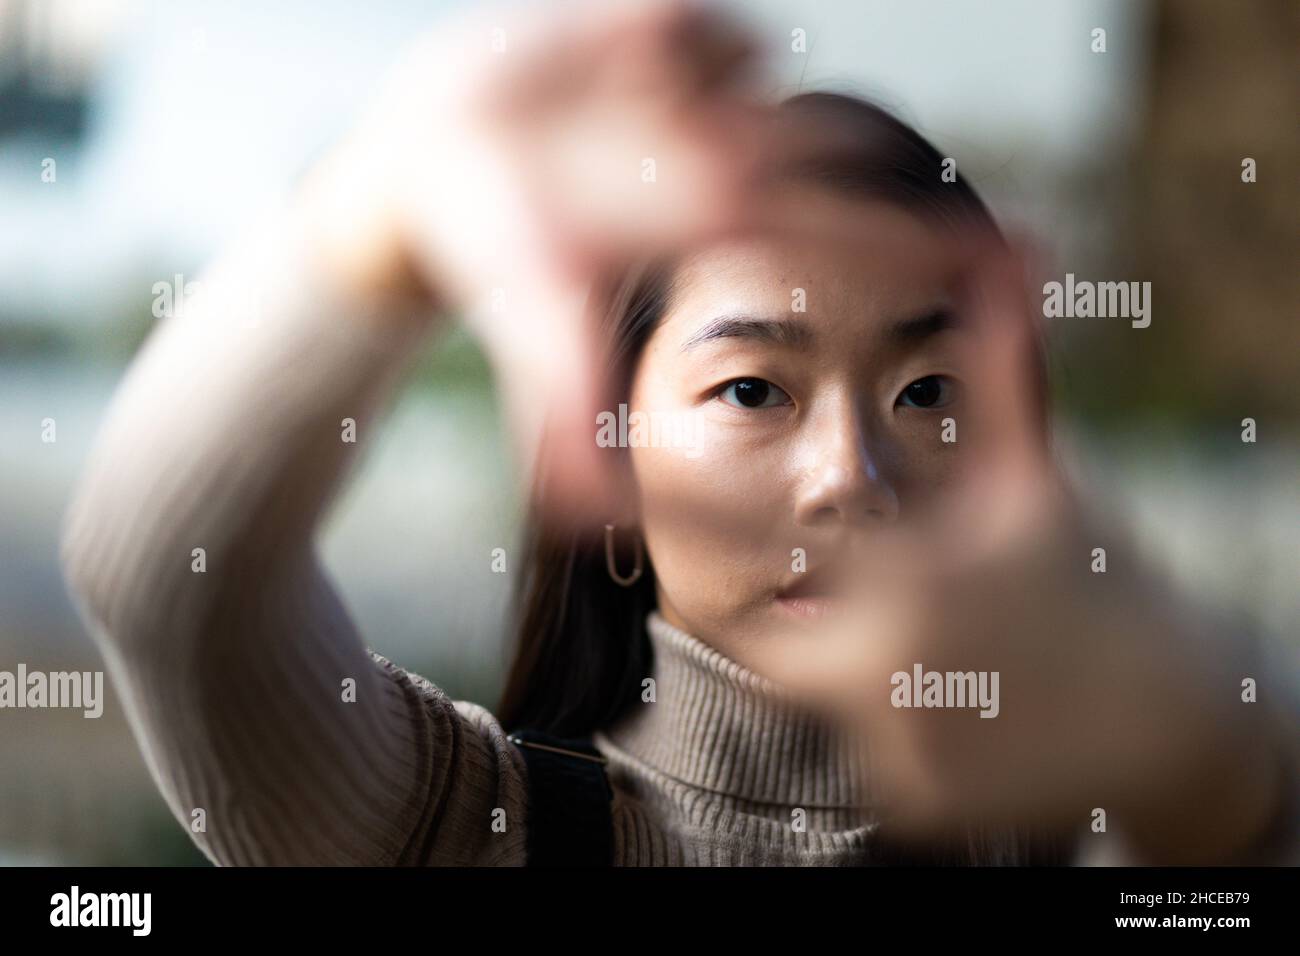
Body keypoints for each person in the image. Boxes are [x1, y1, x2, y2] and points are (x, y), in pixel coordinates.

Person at [60, 0, 1297, 866]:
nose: (849, 478)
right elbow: (165, 585)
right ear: (610, 450)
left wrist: (1212, 778)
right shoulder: (464, 826)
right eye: (755, 389)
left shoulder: (1114, 830)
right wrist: (383, 212)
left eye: (927, 391)